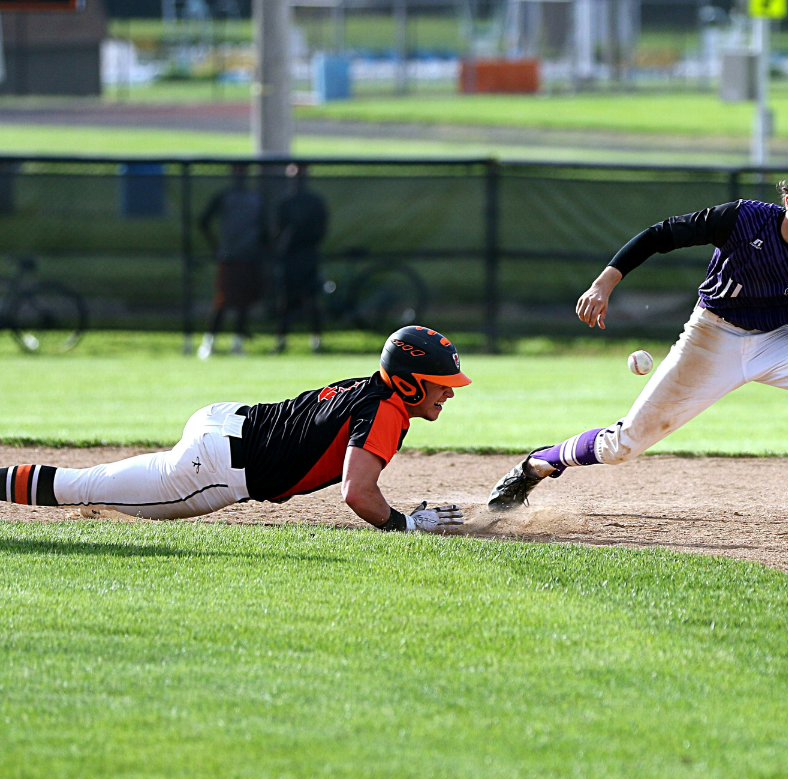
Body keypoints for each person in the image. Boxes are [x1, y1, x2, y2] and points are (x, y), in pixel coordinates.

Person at [487, 160, 788, 520]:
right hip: (711, 337)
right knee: (623, 445)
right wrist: (605, 283)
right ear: (787, 198)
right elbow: (661, 234)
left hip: (777, 341)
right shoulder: (744, 219)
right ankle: (539, 464)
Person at [2, 326, 469, 533]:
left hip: (225, 422)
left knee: (104, 486)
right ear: (410, 382)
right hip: (215, 467)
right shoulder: (386, 409)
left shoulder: (364, 389)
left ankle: (105, 508)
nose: (449, 393)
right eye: (441, 384)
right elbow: (357, 493)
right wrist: (405, 525)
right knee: (81, 486)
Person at [198, 164, 267, 359]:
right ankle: (209, 342)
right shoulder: (224, 197)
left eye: (243, 171)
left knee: (243, 302)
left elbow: (263, 230)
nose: (240, 176)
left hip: (250, 257)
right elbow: (204, 222)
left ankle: (237, 344)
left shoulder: (255, 199)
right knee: (222, 299)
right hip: (229, 258)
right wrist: (217, 248)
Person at [272, 163, 330, 355]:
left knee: (310, 298)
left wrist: (304, 237)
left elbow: (321, 230)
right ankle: (281, 340)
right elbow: (277, 231)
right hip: (289, 258)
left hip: (308, 257)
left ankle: (316, 341)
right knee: (286, 300)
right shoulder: (285, 202)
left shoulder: (314, 202)